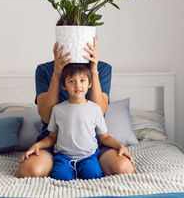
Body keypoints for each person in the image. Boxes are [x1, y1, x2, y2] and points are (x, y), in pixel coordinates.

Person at [17, 37, 135, 178]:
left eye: (82, 80)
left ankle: (89, 163)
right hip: (57, 145)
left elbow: (99, 110)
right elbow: (46, 117)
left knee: (124, 169)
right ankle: (62, 164)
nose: (77, 85)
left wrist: (94, 71)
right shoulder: (45, 70)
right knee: (29, 171)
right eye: (72, 81)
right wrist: (57, 73)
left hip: (96, 144)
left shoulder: (102, 68)